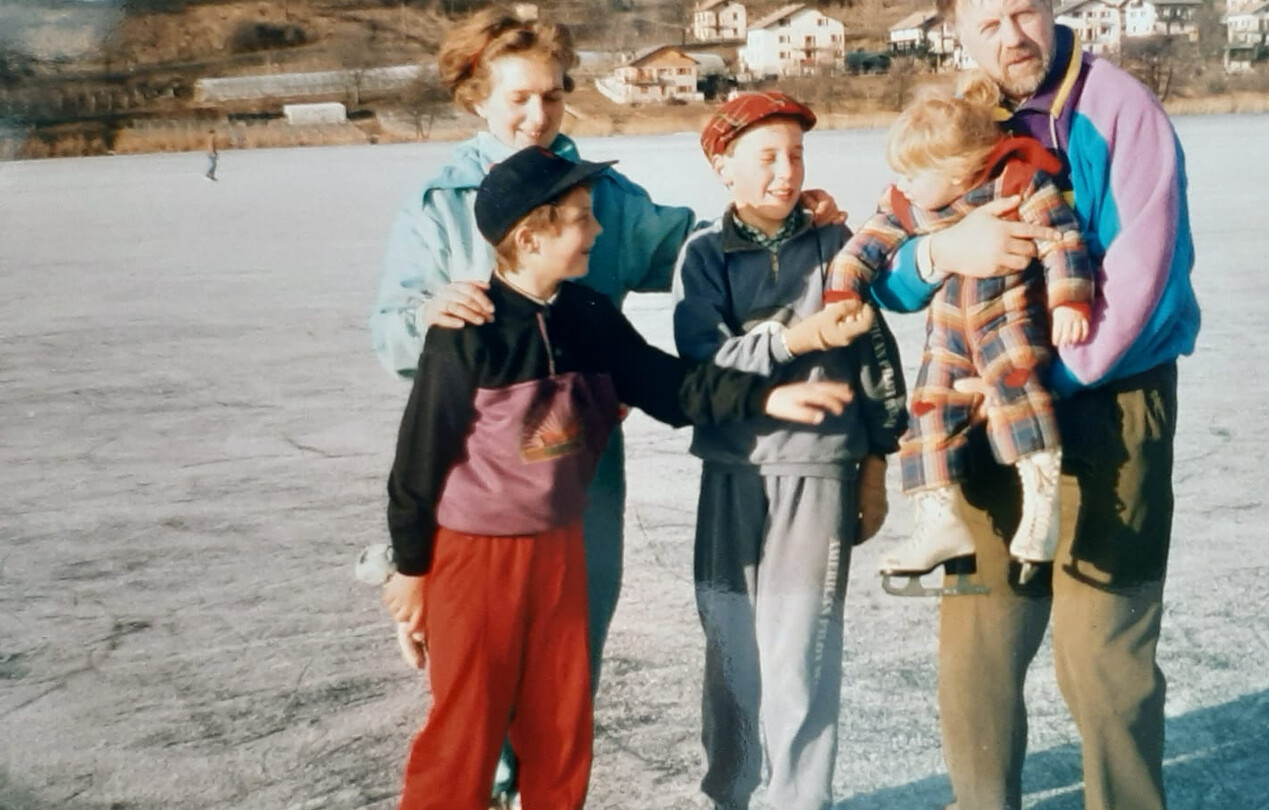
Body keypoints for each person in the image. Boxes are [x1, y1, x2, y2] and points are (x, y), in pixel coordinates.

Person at [363, 7, 838, 806]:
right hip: (476, 489)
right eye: (518, 98)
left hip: (581, 477)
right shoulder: (440, 203)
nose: (537, 116)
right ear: (479, 96)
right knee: (474, 700)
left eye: (552, 97)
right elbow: (397, 357)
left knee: (561, 683)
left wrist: (775, 214)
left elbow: (684, 262)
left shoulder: (603, 198)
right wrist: (431, 318)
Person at [865, 0, 1201, 806]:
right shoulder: (955, 116)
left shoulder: (1119, 108)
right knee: (978, 647)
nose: (1010, 36)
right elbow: (891, 266)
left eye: (1023, 11)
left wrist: (1036, 384)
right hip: (982, 412)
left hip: (1107, 408)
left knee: (1103, 658)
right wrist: (945, 248)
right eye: (987, 22)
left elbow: (1144, 276)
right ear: (956, 29)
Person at [671, 91, 907, 810]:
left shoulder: (838, 248)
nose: (785, 171)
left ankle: (801, 800)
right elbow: (704, 362)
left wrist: (876, 467)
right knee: (732, 652)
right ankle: (733, 796)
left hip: (820, 475)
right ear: (722, 167)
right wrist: (796, 339)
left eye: (796, 155)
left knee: (801, 657)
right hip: (732, 476)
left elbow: (877, 360)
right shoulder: (705, 257)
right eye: (766, 157)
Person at [822, 74, 1092, 595]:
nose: (899, 183)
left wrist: (1068, 299)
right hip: (947, 338)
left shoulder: (1019, 187)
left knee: (1017, 389)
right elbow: (863, 248)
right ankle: (936, 520)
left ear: (957, 171)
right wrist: (843, 293)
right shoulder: (910, 205)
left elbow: (1061, 242)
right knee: (927, 411)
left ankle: (1040, 506)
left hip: (1006, 322)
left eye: (912, 173)